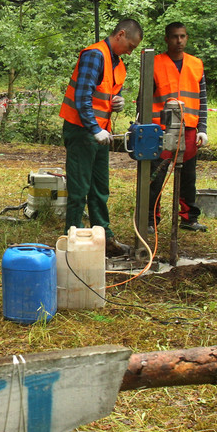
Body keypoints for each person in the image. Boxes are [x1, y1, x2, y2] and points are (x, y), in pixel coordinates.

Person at [58, 19, 143, 258]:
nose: (130, 51)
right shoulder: (95, 55)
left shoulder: (117, 62)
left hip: (99, 132)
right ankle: (71, 239)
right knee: (79, 189)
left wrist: (117, 102)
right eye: (130, 45)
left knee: (99, 188)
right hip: (82, 130)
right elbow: (82, 96)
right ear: (121, 34)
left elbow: (104, 94)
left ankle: (104, 237)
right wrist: (94, 128)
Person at [149, 21, 209, 232]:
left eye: (182, 36)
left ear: (187, 37)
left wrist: (203, 128)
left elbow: (202, 98)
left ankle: (188, 218)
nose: (179, 40)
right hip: (161, 128)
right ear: (167, 39)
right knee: (156, 175)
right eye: (175, 36)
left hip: (190, 127)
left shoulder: (196, 64)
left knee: (188, 177)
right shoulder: (154, 63)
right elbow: (144, 98)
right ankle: (150, 219)